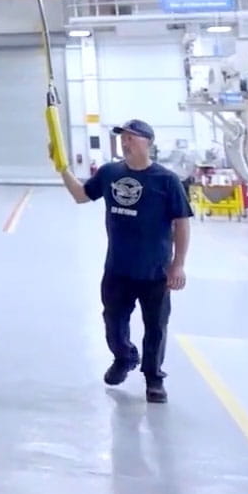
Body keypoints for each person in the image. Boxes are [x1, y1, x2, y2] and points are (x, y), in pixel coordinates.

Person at [57, 119, 192, 403]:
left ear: (148, 142)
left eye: (131, 137)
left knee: (155, 328)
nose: (125, 142)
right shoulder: (110, 173)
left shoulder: (167, 180)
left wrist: (178, 264)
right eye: (123, 138)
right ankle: (124, 356)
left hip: (155, 271)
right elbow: (81, 196)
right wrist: (63, 169)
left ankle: (154, 379)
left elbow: (181, 223)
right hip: (118, 268)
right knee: (113, 322)